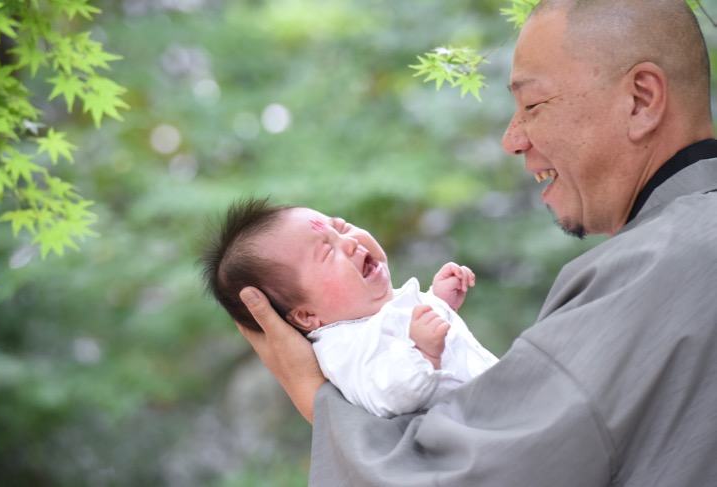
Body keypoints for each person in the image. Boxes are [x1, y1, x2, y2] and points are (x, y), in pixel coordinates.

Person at [236, 0, 717, 485]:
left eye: (532, 105)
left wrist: (316, 397)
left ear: (640, 99)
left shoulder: (658, 265)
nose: (512, 139)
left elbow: (475, 475)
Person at [200, 198, 498, 418]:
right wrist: (422, 353)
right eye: (328, 251)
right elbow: (385, 393)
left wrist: (439, 301)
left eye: (341, 227)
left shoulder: (379, 312)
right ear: (305, 315)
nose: (351, 242)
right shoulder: (342, 348)